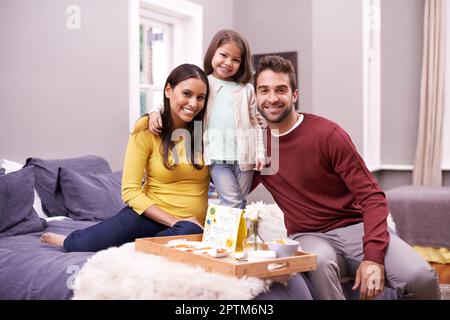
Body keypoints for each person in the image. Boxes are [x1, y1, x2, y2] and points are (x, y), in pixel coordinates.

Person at [251, 55, 441, 300]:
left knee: (420, 277)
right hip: (309, 235)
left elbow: (372, 197)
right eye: (264, 90)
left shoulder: (327, 134)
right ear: (255, 96)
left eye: (281, 90)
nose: (272, 98)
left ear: (294, 95)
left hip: (356, 228)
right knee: (319, 263)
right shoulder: (256, 145)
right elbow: (232, 187)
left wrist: (373, 258)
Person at [40, 64, 211, 252]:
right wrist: (174, 220)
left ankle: (140, 246)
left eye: (200, 97)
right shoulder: (146, 128)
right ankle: (68, 239)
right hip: (149, 215)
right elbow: (130, 191)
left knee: (185, 232)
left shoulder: (206, 132)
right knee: (80, 244)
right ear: (168, 90)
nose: (194, 103)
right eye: (187, 94)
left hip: (191, 226)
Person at [148, 29, 265, 209]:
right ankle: (234, 237)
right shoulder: (204, 83)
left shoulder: (246, 89)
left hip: (245, 158)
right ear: (212, 53)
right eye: (223, 55)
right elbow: (175, 98)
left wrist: (259, 152)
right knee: (233, 202)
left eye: (235, 59)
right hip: (217, 157)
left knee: (238, 202)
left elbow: (255, 123)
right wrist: (155, 111)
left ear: (242, 63)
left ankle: (233, 235)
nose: (228, 63)